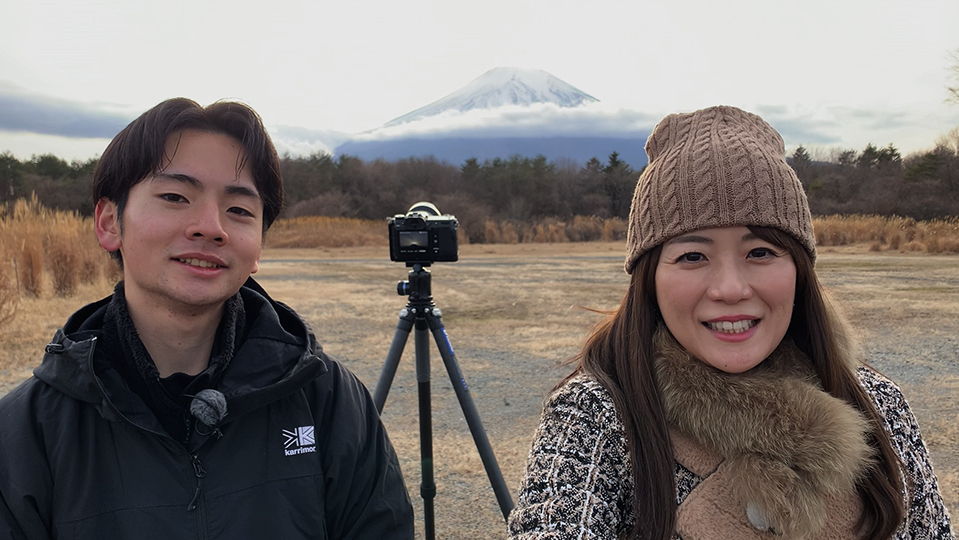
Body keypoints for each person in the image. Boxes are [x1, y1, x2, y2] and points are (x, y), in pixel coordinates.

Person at [508, 106, 954, 540]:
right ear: (649, 280)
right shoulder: (598, 415)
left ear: (800, 270)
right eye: (692, 256)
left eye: (760, 252)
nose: (729, 288)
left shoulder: (878, 404)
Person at [0, 98, 414, 539]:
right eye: (175, 196)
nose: (210, 226)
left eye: (239, 210)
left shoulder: (329, 400)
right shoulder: (28, 432)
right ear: (108, 223)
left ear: (257, 247)